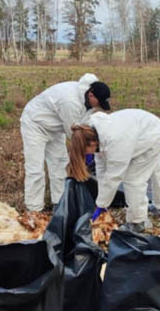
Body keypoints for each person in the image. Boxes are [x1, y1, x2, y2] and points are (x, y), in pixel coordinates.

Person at [66, 109, 160, 232]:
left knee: (133, 179)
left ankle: (138, 222)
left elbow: (113, 177)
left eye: (85, 151)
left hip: (150, 134)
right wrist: (102, 201)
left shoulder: (114, 142)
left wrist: (101, 205)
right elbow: (102, 172)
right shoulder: (94, 134)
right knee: (156, 170)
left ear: (92, 143)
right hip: (144, 126)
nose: (86, 155)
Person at [19, 73, 112, 212]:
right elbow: (75, 134)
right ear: (91, 94)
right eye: (98, 103)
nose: (97, 106)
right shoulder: (70, 102)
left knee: (60, 163)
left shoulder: (87, 98)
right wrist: (86, 155)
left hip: (55, 126)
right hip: (35, 124)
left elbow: (84, 124)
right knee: (35, 169)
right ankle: (34, 210)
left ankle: (60, 204)